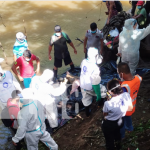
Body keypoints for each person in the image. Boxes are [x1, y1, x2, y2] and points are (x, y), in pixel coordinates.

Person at [102, 79, 133, 150]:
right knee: (117, 135)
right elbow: (130, 108)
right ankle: (119, 147)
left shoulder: (108, 103)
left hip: (109, 124)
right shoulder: (126, 95)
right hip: (120, 120)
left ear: (110, 91)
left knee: (109, 140)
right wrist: (121, 110)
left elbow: (105, 114)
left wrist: (108, 100)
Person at [117, 62, 142, 139]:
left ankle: (122, 136)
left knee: (121, 123)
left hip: (124, 109)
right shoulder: (138, 78)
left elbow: (120, 96)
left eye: (118, 73)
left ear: (121, 74)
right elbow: (132, 83)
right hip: (132, 107)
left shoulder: (124, 87)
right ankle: (130, 129)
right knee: (128, 118)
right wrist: (121, 82)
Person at [80, 47, 106, 117]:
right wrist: (98, 96)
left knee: (86, 99)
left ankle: (87, 113)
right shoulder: (95, 68)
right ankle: (100, 104)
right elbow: (95, 84)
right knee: (103, 89)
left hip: (82, 85)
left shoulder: (84, 61)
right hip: (90, 87)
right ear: (95, 56)